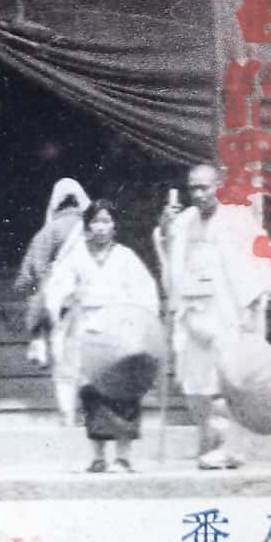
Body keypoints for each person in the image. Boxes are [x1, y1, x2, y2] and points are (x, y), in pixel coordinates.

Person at [154, 161, 271, 470]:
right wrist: (165, 232)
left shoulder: (236, 220)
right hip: (192, 310)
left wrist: (257, 297)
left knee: (229, 380)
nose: (199, 194)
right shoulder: (184, 221)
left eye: (204, 187)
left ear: (218, 186)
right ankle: (209, 441)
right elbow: (171, 260)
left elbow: (262, 256)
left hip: (226, 311)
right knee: (195, 383)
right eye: (193, 188)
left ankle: (233, 448)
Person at [45, 198, 163, 473]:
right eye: (96, 221)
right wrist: (64, 300)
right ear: (87, 226)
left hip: (120, 332)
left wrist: (143, 323)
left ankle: (123, 455)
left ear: (114, 226)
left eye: (106, 221)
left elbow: (146, 293)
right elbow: (56, 291)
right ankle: (98, 455)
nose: (101, 227)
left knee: (123, 391)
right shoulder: (74, 257)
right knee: (93, 391)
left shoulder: (126, 257)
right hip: (87, 330)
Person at [13, 176, 91, 426]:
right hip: (91, 301)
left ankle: (67, 412)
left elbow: (32, 271)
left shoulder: (49, 230)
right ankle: (87, 410)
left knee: (63, 360)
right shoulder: (94, 228)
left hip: (60, 304)